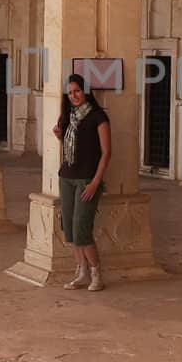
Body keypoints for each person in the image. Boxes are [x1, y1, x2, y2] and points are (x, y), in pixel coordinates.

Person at [52, 73, 111, 292]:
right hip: (67, 177)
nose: (74, 96)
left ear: (85, 91)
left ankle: (96, 274)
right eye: (70, 93)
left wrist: (96, 182)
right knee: (68, 229)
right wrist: (59, 136)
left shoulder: (98, 117)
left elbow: (106, 153)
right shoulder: (67, 117)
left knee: (81, 229)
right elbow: (71, 147)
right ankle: (81, 271)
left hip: (87, 179)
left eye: (77, 91)